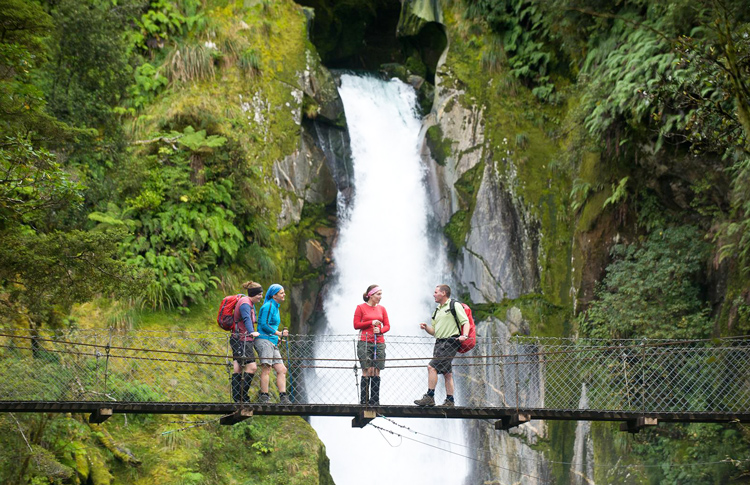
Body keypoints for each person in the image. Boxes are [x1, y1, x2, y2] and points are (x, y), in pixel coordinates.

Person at [414, 284, 470, 407]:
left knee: (431, 367)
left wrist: (464, 336)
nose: (433, 294)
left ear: (443, 293)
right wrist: (426, 328)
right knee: (447, 373)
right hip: (439, 343)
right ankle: (450, 401)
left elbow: (465, 322)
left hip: (450, 342)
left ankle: (430, 397)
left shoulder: (454, 305)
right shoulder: (437, 311)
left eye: (435, 292)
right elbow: (434, 331)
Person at [353, 284, 390, 405]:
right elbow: (356, 325)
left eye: (381, 294)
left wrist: (380, 330)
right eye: (378, 294)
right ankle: (364, 400)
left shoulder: (382, 309)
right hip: (364, 341)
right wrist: (371, 322)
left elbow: (387, 326)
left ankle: (375, 400)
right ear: (370, 295)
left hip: (379, 342)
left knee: (377, 369)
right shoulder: (360, 307)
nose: (380, 297)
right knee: (366, 369)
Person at [254, 284, 291, 404]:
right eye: (281, 293)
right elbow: (264, 325)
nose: (284, 294)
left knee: (282, 369)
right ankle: (264, 396)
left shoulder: (275, 307)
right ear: (274, 295)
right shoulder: (268, 306)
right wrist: (279, 333)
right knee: (267, 368)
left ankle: (283, 397)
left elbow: (270, 325)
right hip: (264, 340)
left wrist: (277, 337)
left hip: (272, 341)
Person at [230, 281, 262, 403]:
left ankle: (238, 398)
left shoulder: (249, 303)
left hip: (239, 338)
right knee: (252, 367)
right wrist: (251, 331)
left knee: (238, 367)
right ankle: (242, 397)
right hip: (242, 340)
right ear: (253, 294)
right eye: (259, 294)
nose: (260, 297)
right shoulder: (245, 304)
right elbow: (246, 319)